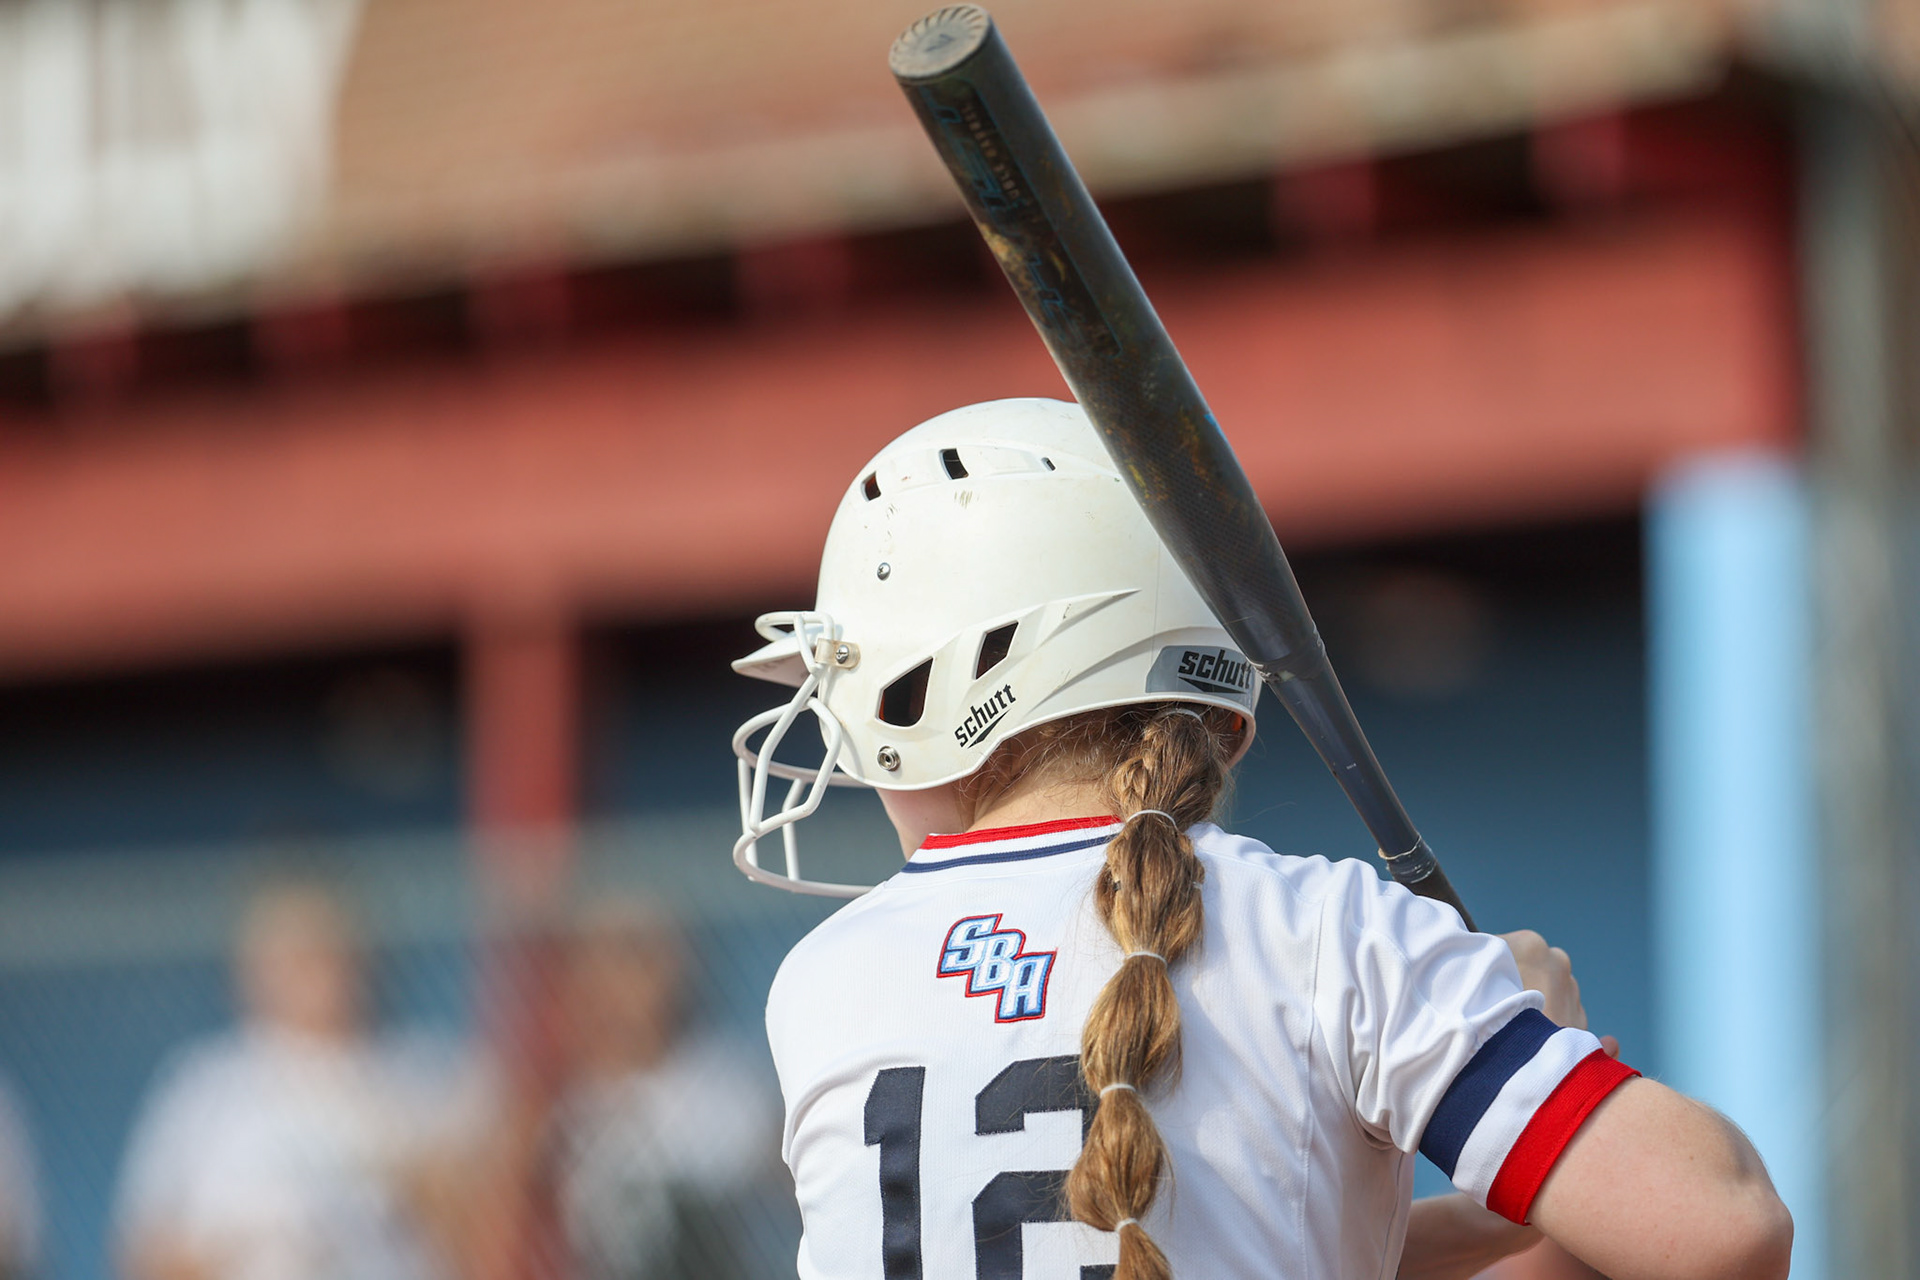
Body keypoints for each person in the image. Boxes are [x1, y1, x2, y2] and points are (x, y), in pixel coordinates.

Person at [730, 399, 1792, 1279]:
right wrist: (1530, 1035)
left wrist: (1477, 1220)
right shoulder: (1329, 932)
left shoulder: (825, 979)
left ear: (939, 689)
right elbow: (1725, 1227)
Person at [114, 879, 462, 1280]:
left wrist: (399, 1184)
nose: (312, 971)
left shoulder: (421, 1072)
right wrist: (253, 1240)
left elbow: (488, 1227)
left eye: (324, 948)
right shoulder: (202, 1086)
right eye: (290, 954)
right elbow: (142, 1257)